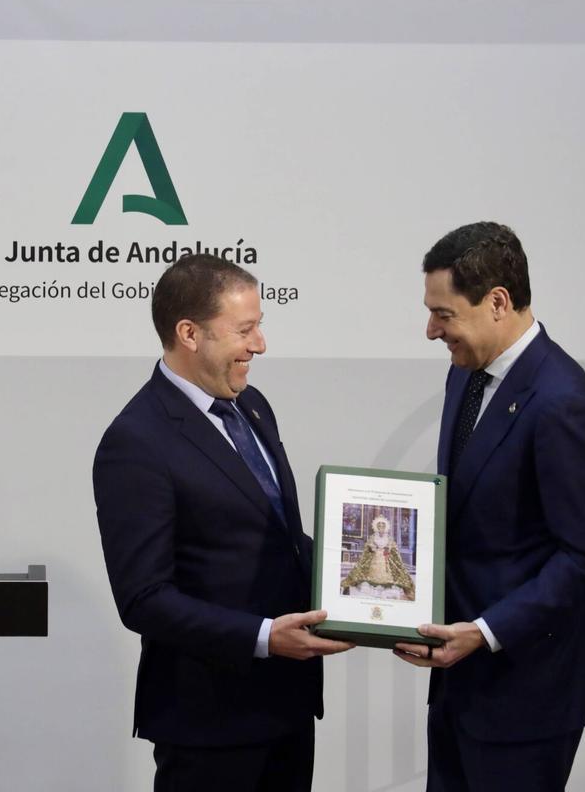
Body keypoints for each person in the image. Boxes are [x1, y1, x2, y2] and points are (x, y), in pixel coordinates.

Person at [93, 253, 352, 792]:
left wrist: (363, 575)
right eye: (245, 329)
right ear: (189, 333)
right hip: (208, 725)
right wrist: (263, 638)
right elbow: (143, 598)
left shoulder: (252, 404)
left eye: (260, 326)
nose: (260, 344)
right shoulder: (136, 442)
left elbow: (276, 534)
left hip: (287, 708)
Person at [394, 222, 585, 791]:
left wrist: (485, 631)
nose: (430, 330)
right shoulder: (465, 375)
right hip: (459, 681)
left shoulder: (564, 402)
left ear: (497, 302)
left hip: (527, 694)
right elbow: (468, 508)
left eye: (443, 314)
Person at [341, 516, 414, 600]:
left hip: (385, 558)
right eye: (379, 526)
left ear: (386, 528)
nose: (381, 528)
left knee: (387, 572)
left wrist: (388, 548)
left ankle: (387, 585)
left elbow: (392, 546)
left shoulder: (389, 538)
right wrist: (373, 547)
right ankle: (371, 584)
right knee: (372, 573)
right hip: (375, 558)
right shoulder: (373, 537)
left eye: (383, 526)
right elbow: (368, 546)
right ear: (376, 528)